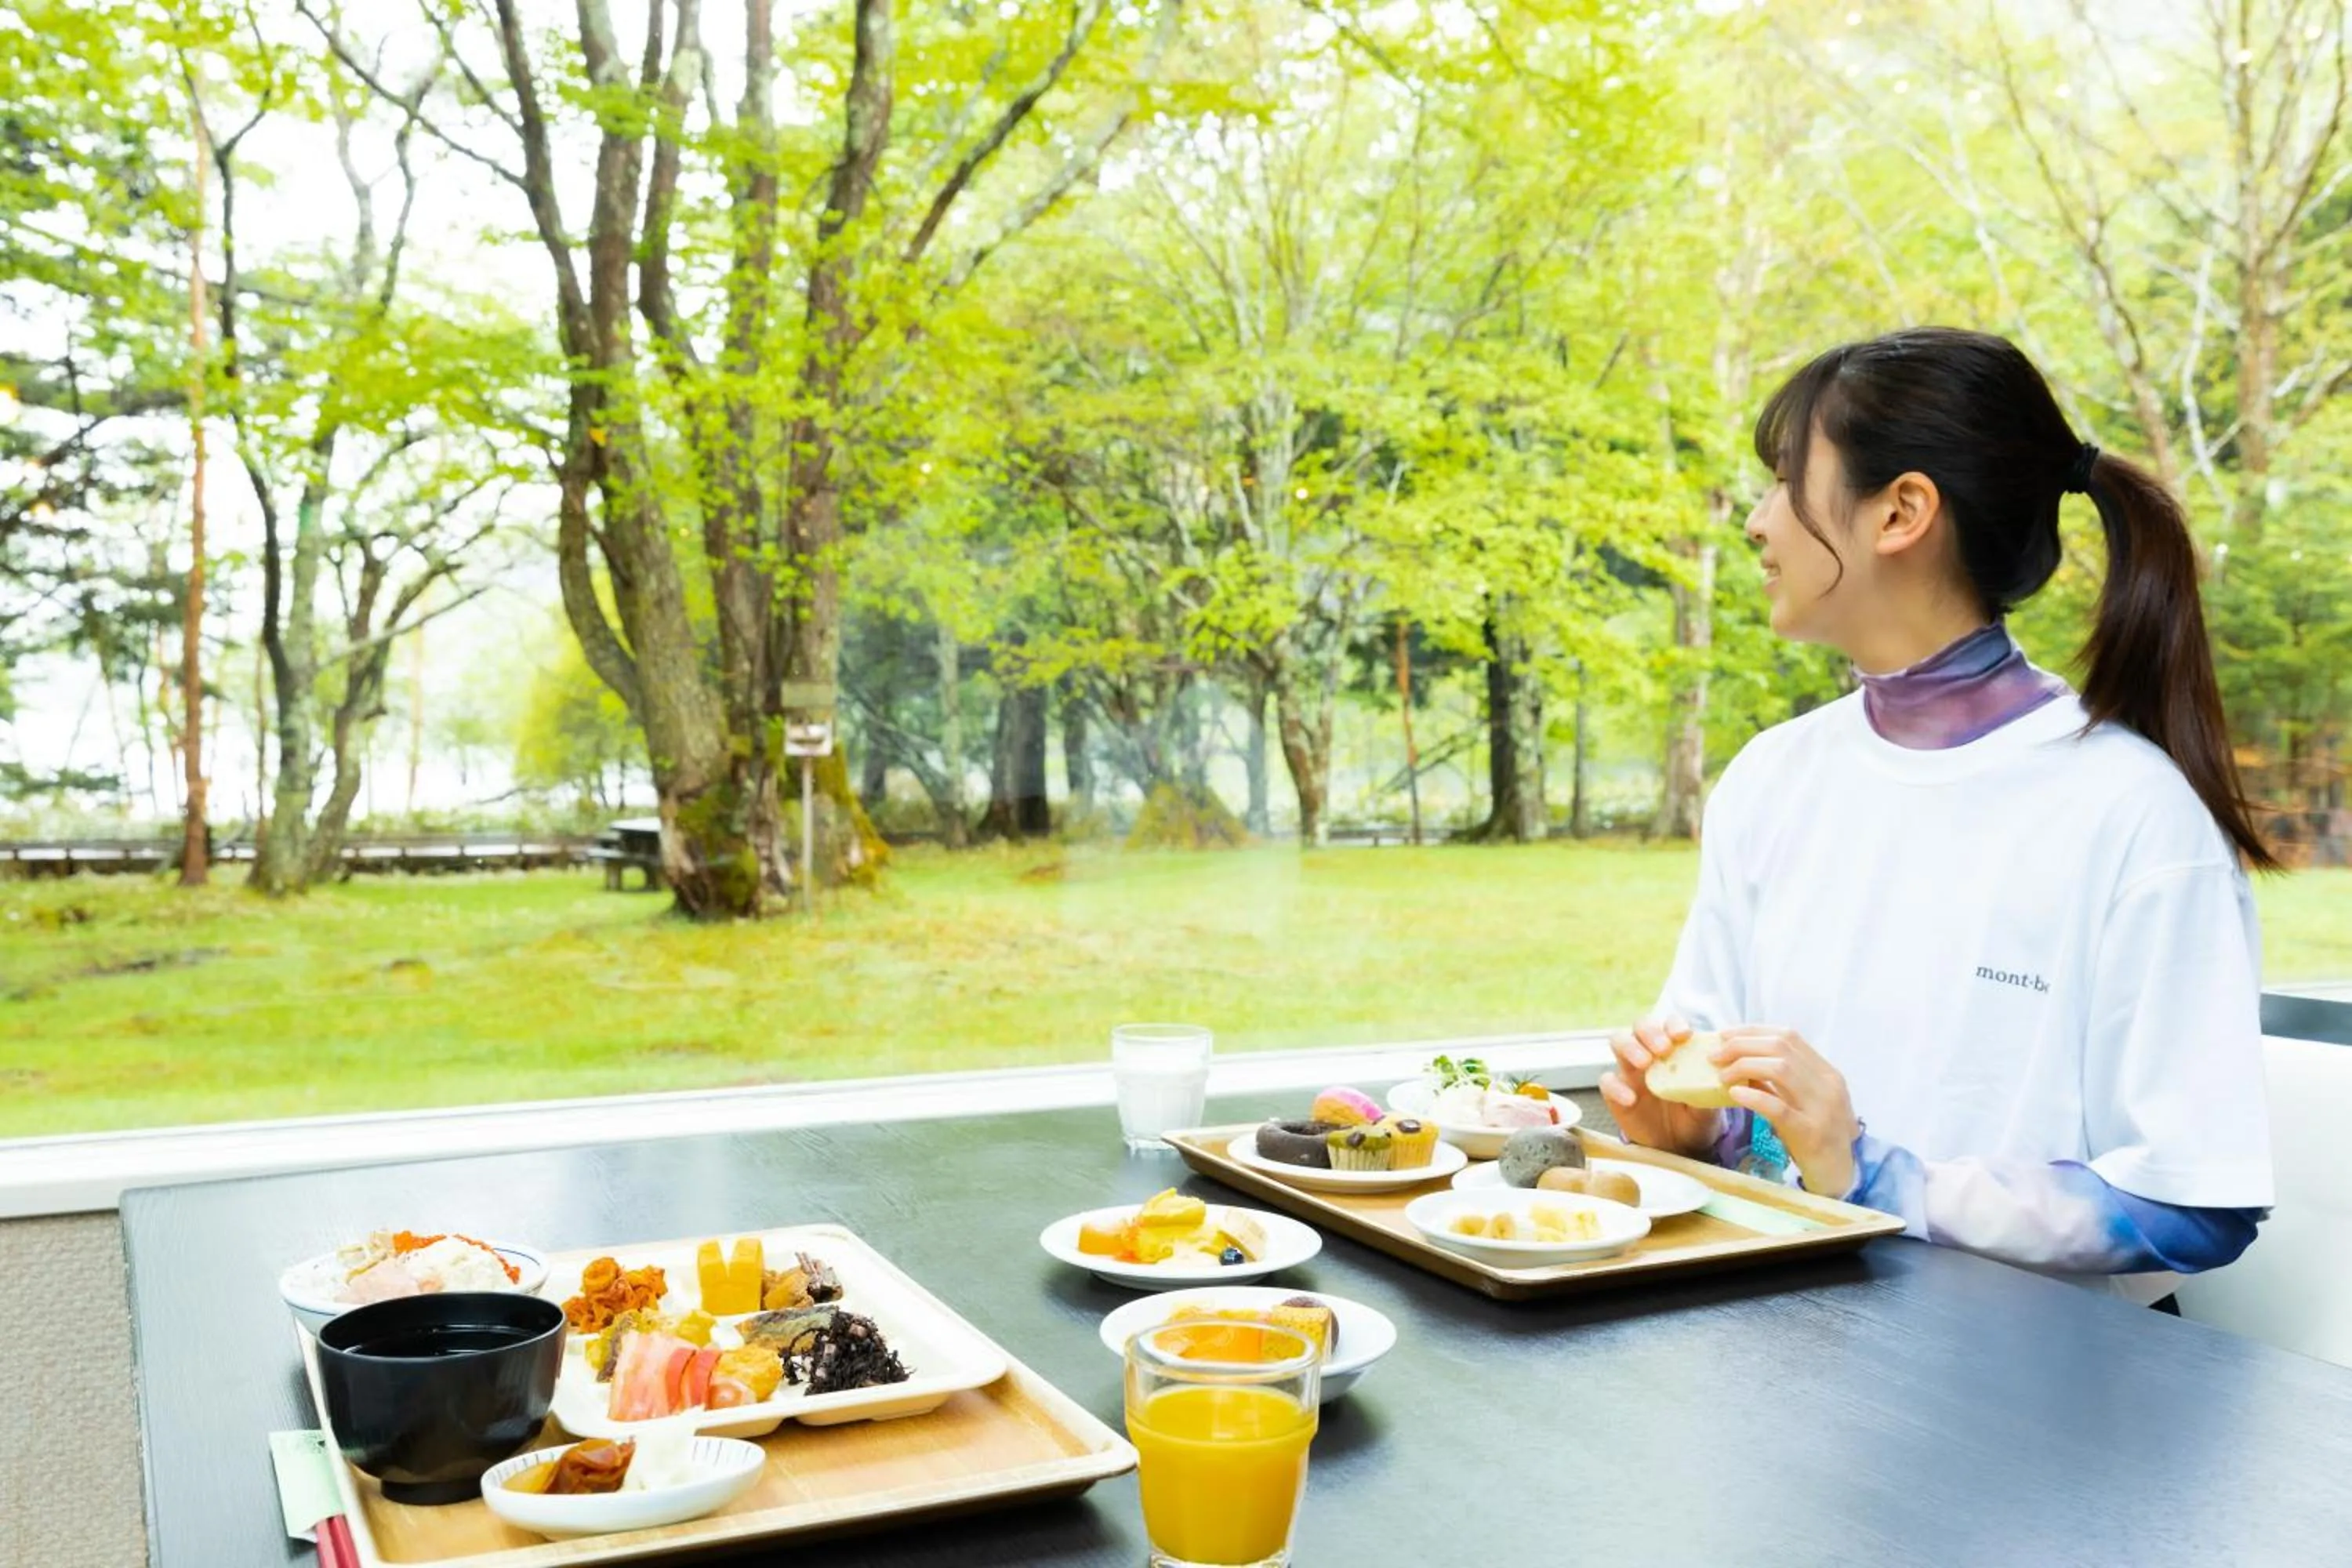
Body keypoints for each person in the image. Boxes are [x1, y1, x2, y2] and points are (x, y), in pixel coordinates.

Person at [1602, 328, 2274, 1304]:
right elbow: (1741, 1093)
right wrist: (1695, 1124)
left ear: (1902, 511)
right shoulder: (1772, 776)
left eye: (1785, 481)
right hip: (1801, 1345)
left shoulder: (2136, 817)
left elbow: (2191, 1204)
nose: (1755, 521)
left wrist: (1882, 1178)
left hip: (2046, 1399)